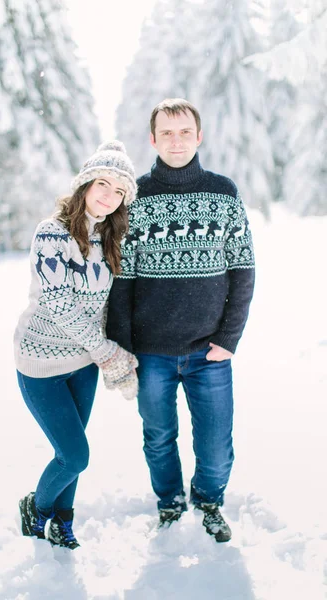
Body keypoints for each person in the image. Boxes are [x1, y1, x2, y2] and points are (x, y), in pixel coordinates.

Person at [106, 99, 255, 543]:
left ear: (198, 136)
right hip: (150, 352)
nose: (176, 141)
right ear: (152, 139)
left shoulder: (223, 192)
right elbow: (122, 280)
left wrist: (228, 338)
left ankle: (209, 501)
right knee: (158, 436)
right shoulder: (136, 196)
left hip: (209, 351)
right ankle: (169, 501)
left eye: (184, 132)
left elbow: (243, 269)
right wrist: (123, 347)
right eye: (166, 133)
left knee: (215, 444)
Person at [14, 141, 138, 549]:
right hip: (40, 364)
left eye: (119, 190)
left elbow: (102, 307)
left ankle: (62, 521)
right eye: (103, 182)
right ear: (85, 182)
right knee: (75, 455)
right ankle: (37, 506)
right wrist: (105, 351)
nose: (108, 194)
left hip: (82, 363)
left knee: (73, 452)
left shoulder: (108, 239)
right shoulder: (52, 232)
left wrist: (112, 351)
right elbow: (59, 302)